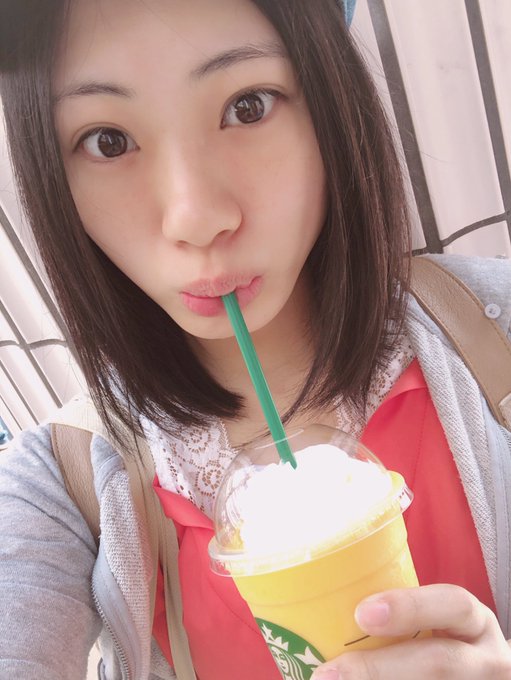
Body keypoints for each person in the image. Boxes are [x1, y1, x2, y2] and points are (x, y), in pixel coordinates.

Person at [0, 0, 510, 678]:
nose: (196, 218)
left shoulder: (496, 333)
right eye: (108, 142)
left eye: (247, 107)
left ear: (329, 102)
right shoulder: (58, 482)